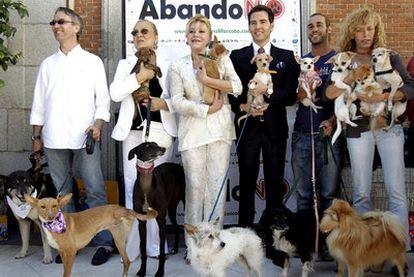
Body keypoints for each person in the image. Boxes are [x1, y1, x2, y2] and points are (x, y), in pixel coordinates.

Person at [325, 7, 414, 251]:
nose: (365, 34)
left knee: (396, 191)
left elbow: (410, 87)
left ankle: (399, 251)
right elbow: (329, 92)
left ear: (376, 30)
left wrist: (384, 97)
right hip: (358, 130)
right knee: (361, 192)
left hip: (389, 127)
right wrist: (351, 76)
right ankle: (364, 250)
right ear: (351, 32)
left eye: (369, 28)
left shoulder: (390, 55)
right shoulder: (344, 57)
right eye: (359, 29)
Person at [30, 7, 113, 265]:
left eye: (62, 22)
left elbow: (103, 101)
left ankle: (104, 243)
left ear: (76, 27)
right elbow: (39, 104)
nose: (56, 26)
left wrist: (98, 125)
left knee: (95, 190)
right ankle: (67, 244)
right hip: (53, 139)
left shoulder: (92, 62)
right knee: (62, 194)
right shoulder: (47, 64)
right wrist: (36, 137)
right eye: (53, 22)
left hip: (86, 138)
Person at [169, 14, 242, 247]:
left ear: (209, 36)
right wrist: (205, 109)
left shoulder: (220, 59)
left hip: (220, 132)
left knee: (216, 190)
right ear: (186, 37)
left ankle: (212, 242)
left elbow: (238, 87)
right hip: (192, 134)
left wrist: (207, 80)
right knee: (194, 189)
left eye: (201, 30)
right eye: (192, 31)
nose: (196, 34)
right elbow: (177, 101)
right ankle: (192, 246)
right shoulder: (177, 65)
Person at [109, 19, 177, 261]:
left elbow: (178, 97)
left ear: (156, 36)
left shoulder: (170, 63)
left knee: (157, 193)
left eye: (144, 31)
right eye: (135, 32)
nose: (139, 35)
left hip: (160, 131)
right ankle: (134, 247)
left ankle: (156, 247)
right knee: (132, 191)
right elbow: (115, 93)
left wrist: (162, 103)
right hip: (133, 134)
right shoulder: (126, 64)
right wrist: (140, 77)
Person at [291, 13, 340, 260]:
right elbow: (295, 98)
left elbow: (343, 98)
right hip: (301, 133)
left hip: (327, 135)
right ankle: (307, 249)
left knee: (329, 194)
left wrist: (331, 121)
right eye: (310, 26)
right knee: (303, 197)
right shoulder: (301, 61)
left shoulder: (338, 58)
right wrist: (304, 85)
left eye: (319, 24)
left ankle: (331, 249)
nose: (314, 29)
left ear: (328, 28)